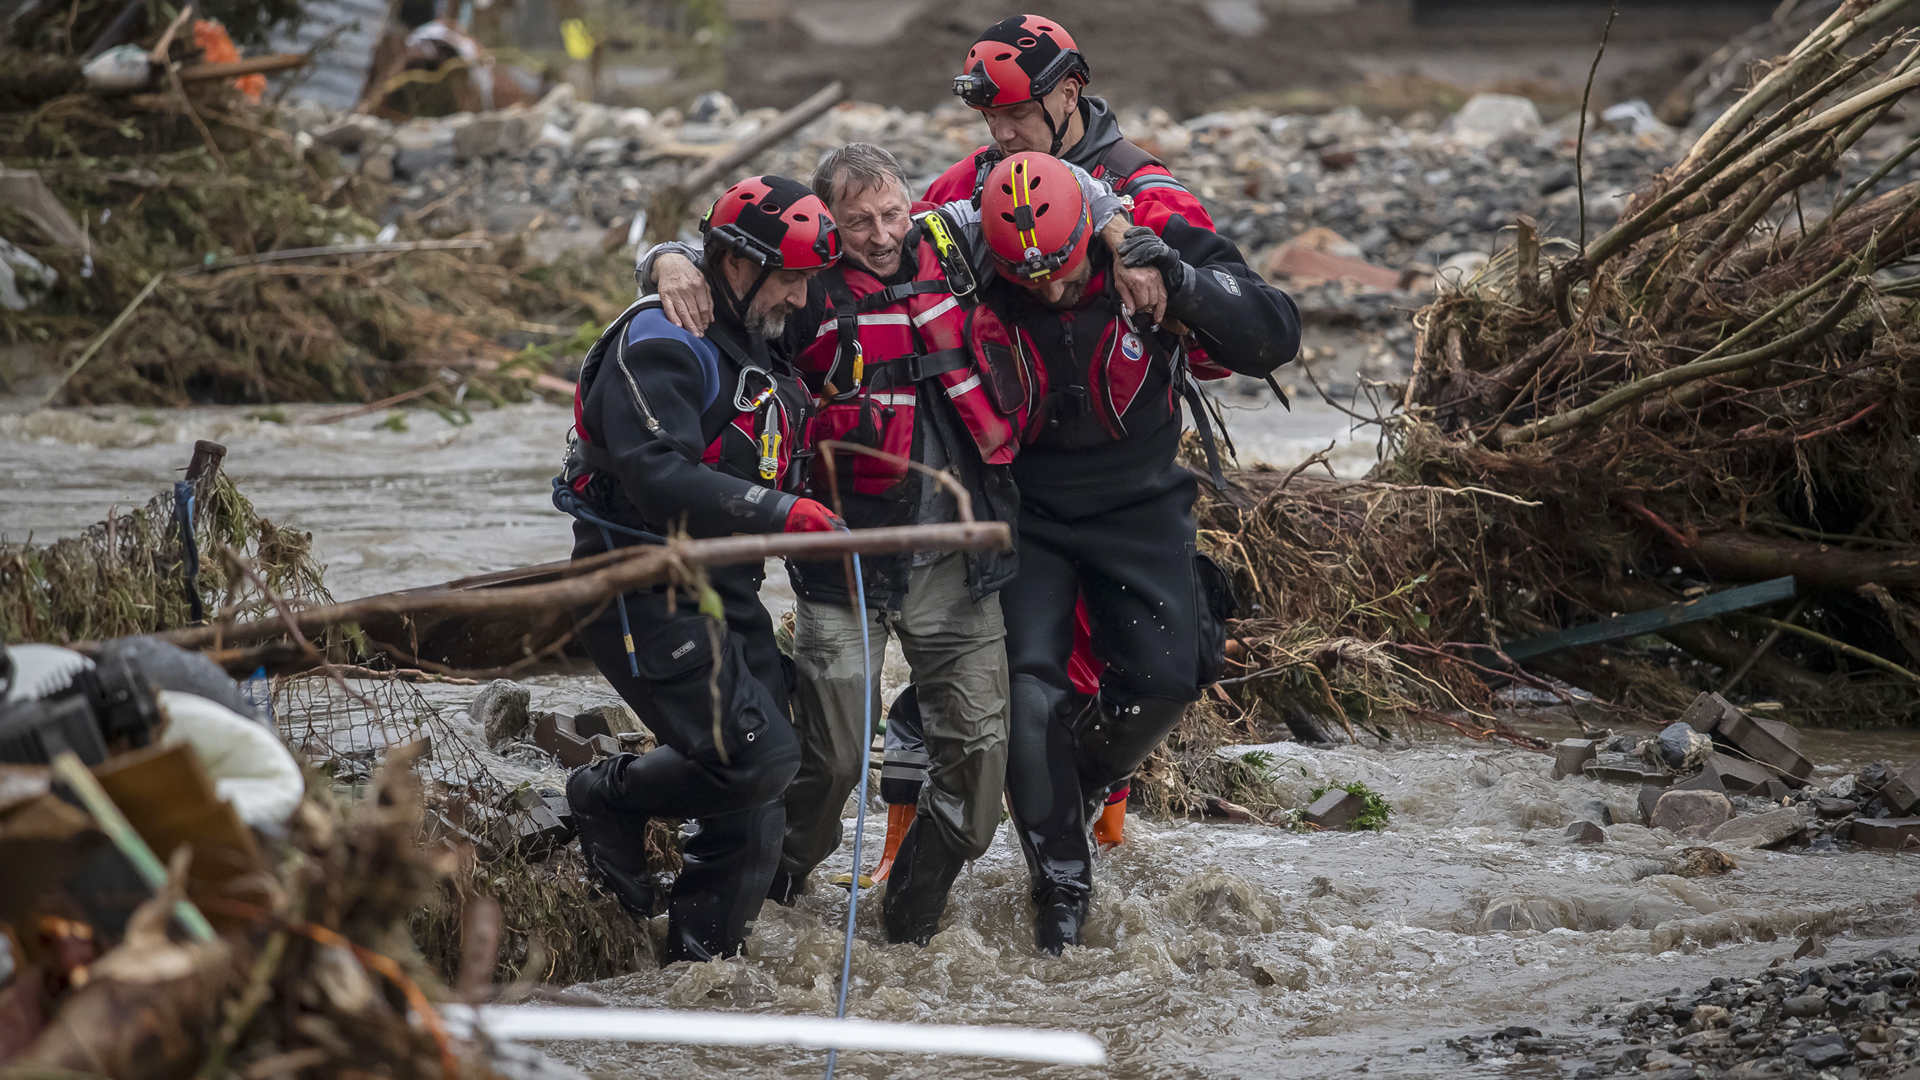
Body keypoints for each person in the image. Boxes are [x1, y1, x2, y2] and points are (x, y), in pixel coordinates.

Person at [637, 144, 1127, 947]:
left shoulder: (954, 240)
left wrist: (1127, 240)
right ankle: (776, 887)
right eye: (858, 221)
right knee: (827, 766)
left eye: (891, 212)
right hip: (844, 566)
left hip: (961, 567)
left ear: (911, 203)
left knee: (974, 793)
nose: (880, 234)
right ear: (828, 222)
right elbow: (708, 263)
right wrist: (662, 259)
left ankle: (909, 922)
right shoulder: (800, 284)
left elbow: (1081, 194)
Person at [969, 152, 1300, 954]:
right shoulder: (960, 245)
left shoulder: (1149, 239)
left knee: (1171, 675)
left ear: (1089, 231)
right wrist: (671, 259)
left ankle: (1067, 785)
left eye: (1060, 269)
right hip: (1028, 506)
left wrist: (1178, 278)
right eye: (1028, 277)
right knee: (1029, 688)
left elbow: (1275, 331)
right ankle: (1060, 884)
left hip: (1141, 498)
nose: (1047, 289)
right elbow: (842, 252)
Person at [556, 175, 845, 965]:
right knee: (760, 757)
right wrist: (785, 513)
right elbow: (658, 474)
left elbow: (890, 263)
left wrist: (668, 254)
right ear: (740, 265)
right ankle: (604, 795)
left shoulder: (761, 321)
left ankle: (701, 971)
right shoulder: (661, 340)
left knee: (762, 795)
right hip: (636, 582)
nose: (801, 293)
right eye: (788, 276)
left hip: (724, 585)